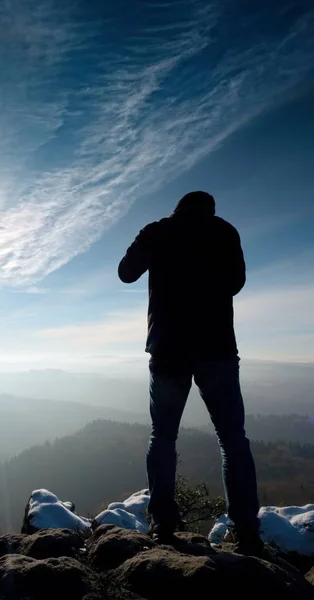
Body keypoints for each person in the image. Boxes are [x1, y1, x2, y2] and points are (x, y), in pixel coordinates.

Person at [118, 191, 263, 556]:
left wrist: (151, 243)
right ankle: (246, 530)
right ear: (210, 209)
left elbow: (126, 272)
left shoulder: (159, 231)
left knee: (163, 436)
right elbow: (235, 283)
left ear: (177, 207)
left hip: (168, 350)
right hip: (217, 348)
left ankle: (163, 524)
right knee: (233, 440)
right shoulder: (224, 232)